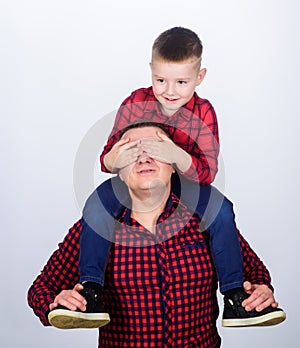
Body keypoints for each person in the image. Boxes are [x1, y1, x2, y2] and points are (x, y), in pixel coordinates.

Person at [45, 26, 284, 329]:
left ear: (200, 77)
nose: (170, 91)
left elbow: (207, 172)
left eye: (181, 82)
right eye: (161, 80)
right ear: (150, 72)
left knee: (222, 210)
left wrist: (173, 153)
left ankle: (235, 296)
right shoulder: (135, 102)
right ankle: (91, 290)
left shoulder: (204, 113)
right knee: (95, 206)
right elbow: (108, 159)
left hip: (190, 182)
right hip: (128, 176)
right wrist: (118, 157)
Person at [28, 123, 286, 348]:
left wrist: (260, 291)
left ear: (175, 166)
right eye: (131, 152)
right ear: (117, 170)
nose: (143, 158)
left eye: (156, 149)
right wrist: (56, 303)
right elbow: (40, 290)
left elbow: (255, 274)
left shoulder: (209, 220)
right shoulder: (95, 229)